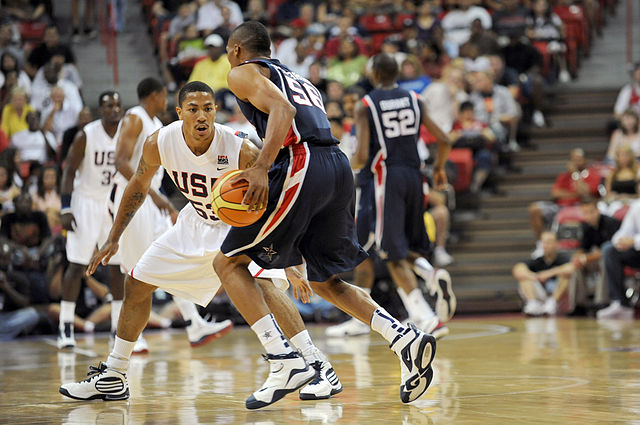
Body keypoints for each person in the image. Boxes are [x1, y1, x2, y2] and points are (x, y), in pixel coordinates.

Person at [59, 81, 342, 402]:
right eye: (192, 109)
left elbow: (276, 201)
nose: (201, 115)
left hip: (239, 227)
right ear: (179, 113)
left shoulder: (240, 148)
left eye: (207, 108)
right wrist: (114, 237)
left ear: (215, 111)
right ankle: (114, 375)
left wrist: (289, 257)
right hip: (195, 222)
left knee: (264, 284)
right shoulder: (159, 142)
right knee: (136, 283)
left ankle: (315, 364)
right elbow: (137, 185)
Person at [213, 21, 437, 409]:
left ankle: (284, 361)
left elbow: (282, 111)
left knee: (228, 263)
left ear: (236, 50)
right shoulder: (299, 78)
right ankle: (404, 338)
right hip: (336, 166)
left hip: (303, 162)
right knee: (325, 281)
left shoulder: (241, 71)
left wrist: (262, 167)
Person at [326, 53, 455, 339]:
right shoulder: (414, 98)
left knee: (391, 251)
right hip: (415, 176)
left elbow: (360, 156)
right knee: (368, 249)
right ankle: (364, 316)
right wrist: (440, 170)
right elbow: (444, 139)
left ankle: (426, 313)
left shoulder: (367, 104)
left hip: (385, 179)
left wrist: (336, 167)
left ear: (373, 73)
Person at [110, 77, 230, 353]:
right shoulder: (135, 117)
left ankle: (194, 324)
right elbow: (120, 162)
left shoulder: (156, 124)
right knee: (134, 267)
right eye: (164, 96)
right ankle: (129, 337)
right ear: (156, 95)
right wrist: (153, 196)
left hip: (152, 200)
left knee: (167, 258)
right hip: (136, 199)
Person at [57, 91, 127, 349]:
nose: (114, 109)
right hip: (84, 201)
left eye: (118, 105)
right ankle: (65, 326)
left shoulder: (126, 134)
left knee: (117, 266)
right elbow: (68, 172)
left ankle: (117, 328)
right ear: (100, 110)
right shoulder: (86, 135)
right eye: (109, 105)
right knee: (76, 265)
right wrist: (65, 208)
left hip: (110, 203)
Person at [570, 199, 620, 312]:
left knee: (605, 261)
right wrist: (578, 258)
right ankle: (579, 304)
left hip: (613, 258)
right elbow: (582, 249)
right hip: (594, 258)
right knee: (577, 266)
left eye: (591, 211)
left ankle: (602, 301)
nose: (589, 215)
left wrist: (585, 258)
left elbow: (609, 250)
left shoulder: (611, 223)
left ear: (597, 210)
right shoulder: (586, 227)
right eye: (585, 213)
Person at [596, 199, 640, 320]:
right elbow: (623, 231)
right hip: (637, 252)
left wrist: (634, 241)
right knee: (609, 250)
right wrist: (619, 241)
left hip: (636, 244)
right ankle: (620, 303)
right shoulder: (636, 206)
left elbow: (634, 240)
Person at [512, 231, 572, 316]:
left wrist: (549, 273)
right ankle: (533, 304)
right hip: (542, 295)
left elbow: (571, 268)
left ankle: (552, 303)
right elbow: (517, 269)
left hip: (558, 297)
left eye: (549, 242)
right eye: (544, 242)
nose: (546, 245)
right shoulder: (538, 260)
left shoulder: (563, 258)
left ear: (556, 244)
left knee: (565, 276)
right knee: (524, 279)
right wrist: (535, 276)